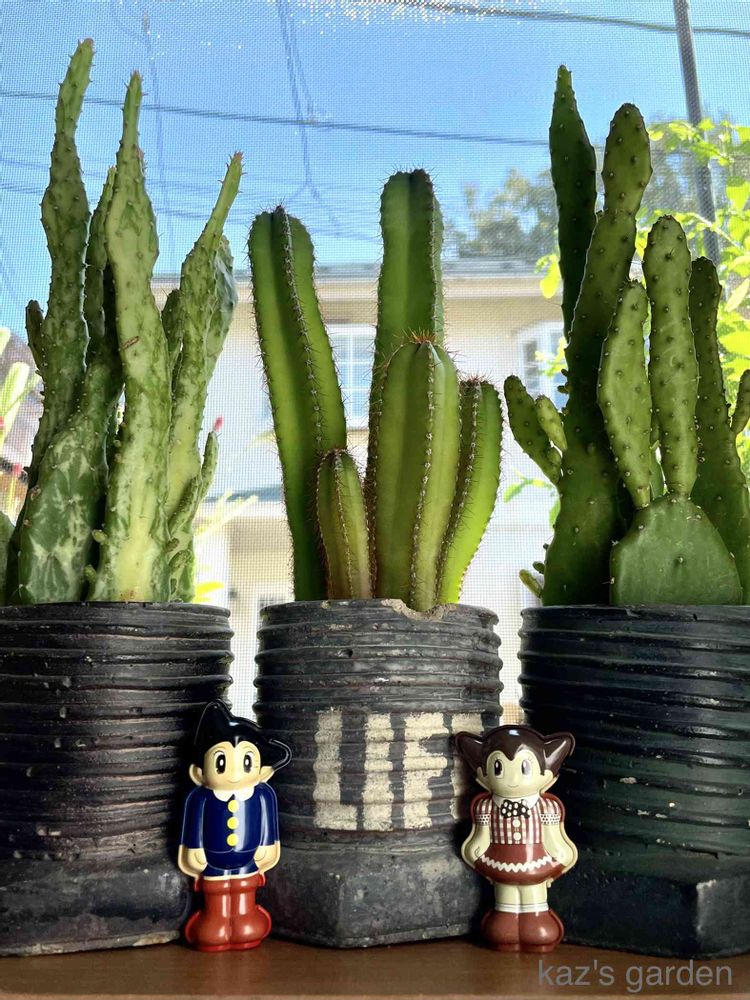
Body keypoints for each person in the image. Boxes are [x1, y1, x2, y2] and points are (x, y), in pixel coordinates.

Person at [178, 700, 291, 951]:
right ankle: (215, 923)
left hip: (247, 861)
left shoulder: (262, 795)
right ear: (199, 773)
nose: (234, 773)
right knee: (215, 890)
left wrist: (268, 845)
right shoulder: (200, 798)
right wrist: (193, 849)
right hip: (212, 862)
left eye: (246, 762)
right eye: (220, 763)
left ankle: (245, 921)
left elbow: (268, 824)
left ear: (262, 771)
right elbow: (193, 827)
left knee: (244, 887)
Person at [454, 725, 577, 953]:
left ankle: (536, 923)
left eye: (524, 767)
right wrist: (476, 849)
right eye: (498, 767)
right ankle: (505, 926)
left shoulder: (546, 806)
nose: (512, 779)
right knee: (506, 894)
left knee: (533, 892)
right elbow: (480, 836)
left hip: (536, 861)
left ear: (547, 773)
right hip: (499, 860)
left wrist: (560, 852)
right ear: (482, 772)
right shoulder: (486, 807)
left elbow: (553, 836)